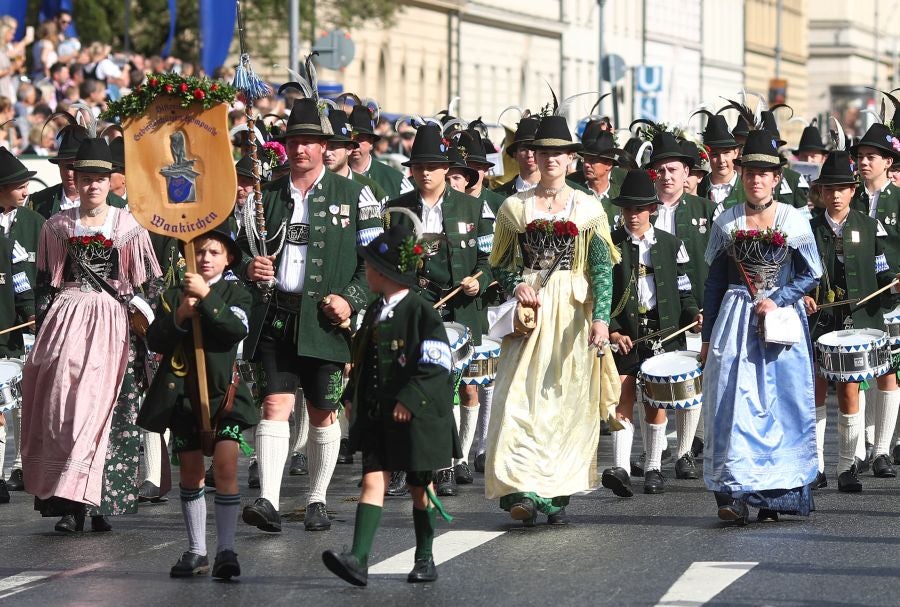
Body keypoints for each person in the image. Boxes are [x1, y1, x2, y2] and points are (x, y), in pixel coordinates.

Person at [238, 98, 382, 534]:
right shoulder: (268, 195)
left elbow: (376, 260)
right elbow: (239, 247)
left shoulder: (356, 193)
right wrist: (249, 265)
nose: (301, 149)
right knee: (274, 404)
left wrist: (351, 300)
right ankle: (269, 500)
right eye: (294, 142)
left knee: (323, 412)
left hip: (326, 320)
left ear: (324, 147)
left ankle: (317, 498)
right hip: (277, 315)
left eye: (309, 142)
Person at [20, 136, 161, 533]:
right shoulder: (58, 226)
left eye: (100, 177)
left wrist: (139, 321)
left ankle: (97, 503)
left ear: (110, 180)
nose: (93, 185)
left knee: (107, 411)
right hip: (67, 322)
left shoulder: (129, 226)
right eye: (86, 178)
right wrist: (40, 334)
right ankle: (68, 505)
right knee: (63, 407)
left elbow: (150, 284)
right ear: (75, 179)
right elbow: (46, 283)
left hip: (113, 325)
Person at [485, 114, 620, 525]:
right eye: (543, 153)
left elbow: (601, 269)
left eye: (558, 153)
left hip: (571, 315)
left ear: (570, 159)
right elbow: (501, 264)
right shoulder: (514, 207)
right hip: (532, 313)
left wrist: (600, 320)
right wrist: (516, 286)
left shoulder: (588, 207)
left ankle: (555, 489)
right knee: (518, 398)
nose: (550, 160)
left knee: (562, 401)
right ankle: (521, 488)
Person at [321, 223, 455, 587]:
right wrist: (349, 397)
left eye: (369, 266)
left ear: (385, 273)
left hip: (418, 419)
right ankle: (358, 560)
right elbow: (363, 359)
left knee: (419, 488)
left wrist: (411, 399)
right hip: (380, 416)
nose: (365, 271)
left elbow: (438, 362)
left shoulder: (421, 311)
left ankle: (425, 557)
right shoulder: (376, 310)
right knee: (371, 480)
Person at [701, 130, 822, 525]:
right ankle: (733, 492)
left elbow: (811, 274)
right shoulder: (727, 220)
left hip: (780, 322)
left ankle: (780, 492)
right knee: (731, 403)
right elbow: (715, 282)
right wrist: (706, 338)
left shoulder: (793, 219)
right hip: (736, 319)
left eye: (764, 173)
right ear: (741, 174)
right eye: (750, 171)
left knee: (781, 402)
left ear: (776, 179)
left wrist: (780, 298)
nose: (756, 179)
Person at [137, 225, 257, 580]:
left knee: (225, 470)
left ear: (228, 258)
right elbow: (156, 339)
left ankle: (226, 549)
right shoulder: (174, 295)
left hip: (225, 397)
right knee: (190, 473)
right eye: (199, 252)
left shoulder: (237, 292)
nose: (205, 258)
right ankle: (196, 550)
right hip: (185, 397)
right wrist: (179, 316)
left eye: (214, 253)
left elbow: (236, 330)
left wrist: (207, 299)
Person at [384, 124, 492, 497]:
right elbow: (384, 262)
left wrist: (480, 280)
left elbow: (490, 258)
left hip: (457, 307)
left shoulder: (474, 207)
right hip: (414, 305)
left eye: (432, 166)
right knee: (407, 383)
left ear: (447, 168)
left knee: (445, 387)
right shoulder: (396, 210)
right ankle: (403, 463)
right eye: (418, 167)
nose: (425, 173)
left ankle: (445, 464)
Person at [601, 169, 701, 497]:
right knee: (622, 396)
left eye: (639, 209)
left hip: (664, 332)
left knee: (656, 403)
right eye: (627, 209)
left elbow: (684, 291)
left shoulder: (672, 245)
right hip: (626, 334)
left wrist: (695, 314)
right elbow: (600, 295)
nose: (632, 215)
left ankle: (654, 467)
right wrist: (614, 332)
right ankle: (619, 466)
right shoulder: (611, 245)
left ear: (652, 210)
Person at [805, 150, 900, 492]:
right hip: (818, 321)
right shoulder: (808, 227)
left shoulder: (868, 225)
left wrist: (893, 285)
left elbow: (880, 269)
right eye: (829, 188)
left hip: (859, 320)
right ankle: (815, 467)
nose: (835, 194)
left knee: (849, 391)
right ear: (821, 192)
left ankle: (847, 466)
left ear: (852, 191)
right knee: (815, 391)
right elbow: (797, 273)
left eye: (841, 188)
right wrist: (802, 295)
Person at [849, 122, 900, 469]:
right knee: (858, 373)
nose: (864, 162)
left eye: (871, 157)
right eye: (861, 157)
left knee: (889, 371)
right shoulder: (850, 197)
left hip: (893, 301)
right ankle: (862, 446)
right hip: (858, 297)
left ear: (887, 162)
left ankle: (882, 449)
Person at [0, 148, 45, 495]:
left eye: (26, 183)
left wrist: (33, 309)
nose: (25, 190)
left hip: (26, 327)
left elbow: (31, 274)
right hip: (4, 323)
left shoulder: (35, 223)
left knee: (19, 397)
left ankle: (18, 467)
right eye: (17, 185)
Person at [29, 123, 127, 219]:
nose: (69, 173)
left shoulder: (117, 205)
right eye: (66, 167)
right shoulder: (39, 201)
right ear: (59, 165)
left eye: (74, 168)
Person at [348, 104, 413, 200]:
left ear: (371, 143)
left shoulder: (396, 180)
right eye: (350, 139)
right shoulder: (333, 175)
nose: (354, 145)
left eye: (360, 139)